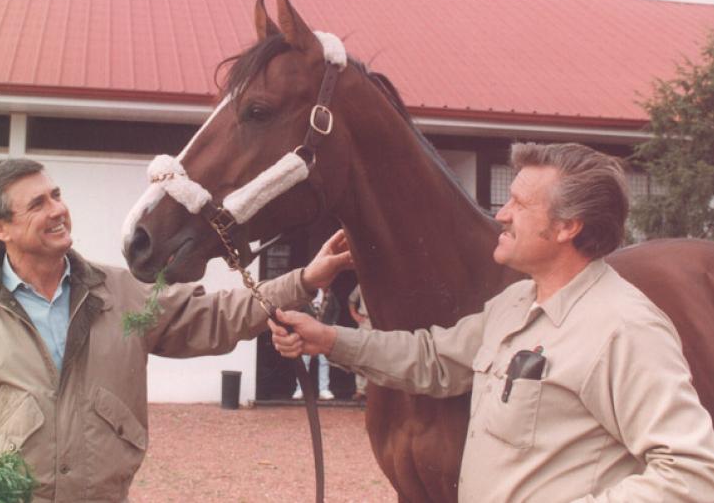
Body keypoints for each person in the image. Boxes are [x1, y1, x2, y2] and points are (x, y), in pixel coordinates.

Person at [270, 143, 714, 501]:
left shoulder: (624, 327)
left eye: (519, 204)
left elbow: (691, 472)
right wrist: (329, 340)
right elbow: (435, 358)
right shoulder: (515, 303)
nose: (501, 214)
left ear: (568, 227)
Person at [0, 158, 351, 502]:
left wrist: (305, 280)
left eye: (56, 195)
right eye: (37, 204)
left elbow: (216, 315)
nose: (58, 210)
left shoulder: (119, 292)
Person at [292, 287, 339, 401]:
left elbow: (337, 309)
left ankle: (324, 389)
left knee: (324, 362)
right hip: (306, 334)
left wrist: (332, 323)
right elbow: (298, 311)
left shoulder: (330, 296)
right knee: (304, 362)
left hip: (324, 333)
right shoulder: (304, 297)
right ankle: (300, 389)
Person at [346, 285, 370, 401]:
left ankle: (377, 391)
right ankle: (360, 390)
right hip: (366, 321)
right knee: (362, 354)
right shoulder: (362, 284)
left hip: (381, 322)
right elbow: (351, 299)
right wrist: (354, 315)